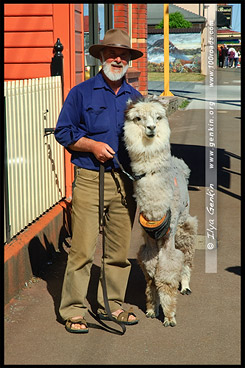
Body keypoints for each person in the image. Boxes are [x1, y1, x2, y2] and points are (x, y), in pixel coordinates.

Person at [54, 28, 143, 333]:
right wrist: (91, 145)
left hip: (124, 183)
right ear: (101, 56)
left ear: (129, 60)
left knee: (118, 251)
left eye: (123, 54)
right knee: (81, 249)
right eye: (112, 53)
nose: (118, 59)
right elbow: (64, 132)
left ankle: (112, 305)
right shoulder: (80, 93)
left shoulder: (136, 98)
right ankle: (74, 311)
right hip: (90, 178)